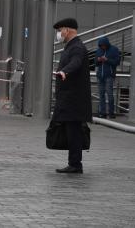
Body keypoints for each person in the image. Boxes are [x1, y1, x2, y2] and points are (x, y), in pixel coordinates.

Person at [52, 18, 92, 174]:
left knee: (74, 132)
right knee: (71, 131)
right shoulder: (70, 46)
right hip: (69, 99)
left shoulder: (77, 48)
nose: (58, 34)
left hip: (74, 100)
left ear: (67, 30)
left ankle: (75, 164)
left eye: (59, 30)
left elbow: (75, 63)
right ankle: (74, 162)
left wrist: (64, 71)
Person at [95, 37, 120, 119]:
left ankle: (111, 113)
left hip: (109, 75)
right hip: (100, 76)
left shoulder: (114, 49)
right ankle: (102, 112)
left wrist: (107, 60)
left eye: (104, 46)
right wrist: (98, 60)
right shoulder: (99, 51)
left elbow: (117, 62)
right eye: (101, 46)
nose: (103, 47)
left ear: (107, 44)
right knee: (101, 95)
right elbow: (96, 63)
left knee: (109, 94)